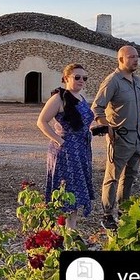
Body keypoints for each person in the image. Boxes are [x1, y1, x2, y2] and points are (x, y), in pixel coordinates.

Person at [91, 45, 140, 230]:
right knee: (112, 177)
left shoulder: (137, 81)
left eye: (137, 57)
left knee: (130, 176)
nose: (136, 60)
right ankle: (107, 215)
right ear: (121, 59)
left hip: (138, 136)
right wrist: (107, 128)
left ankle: (124, 211)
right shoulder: (113, 81)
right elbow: (97, 108)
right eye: (131, 57)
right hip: (120, 137)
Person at [36, 63, 95, 228]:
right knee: (67, 190)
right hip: (65, 151)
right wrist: (59, 140)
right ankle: (63, 231)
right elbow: (42, 122)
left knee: (75, 189)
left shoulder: (81, 98)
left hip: (81, 149)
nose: (81, 80)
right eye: (77, 77)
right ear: (66, 78)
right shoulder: (58, 98)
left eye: (84, 78)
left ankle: (70, 230)